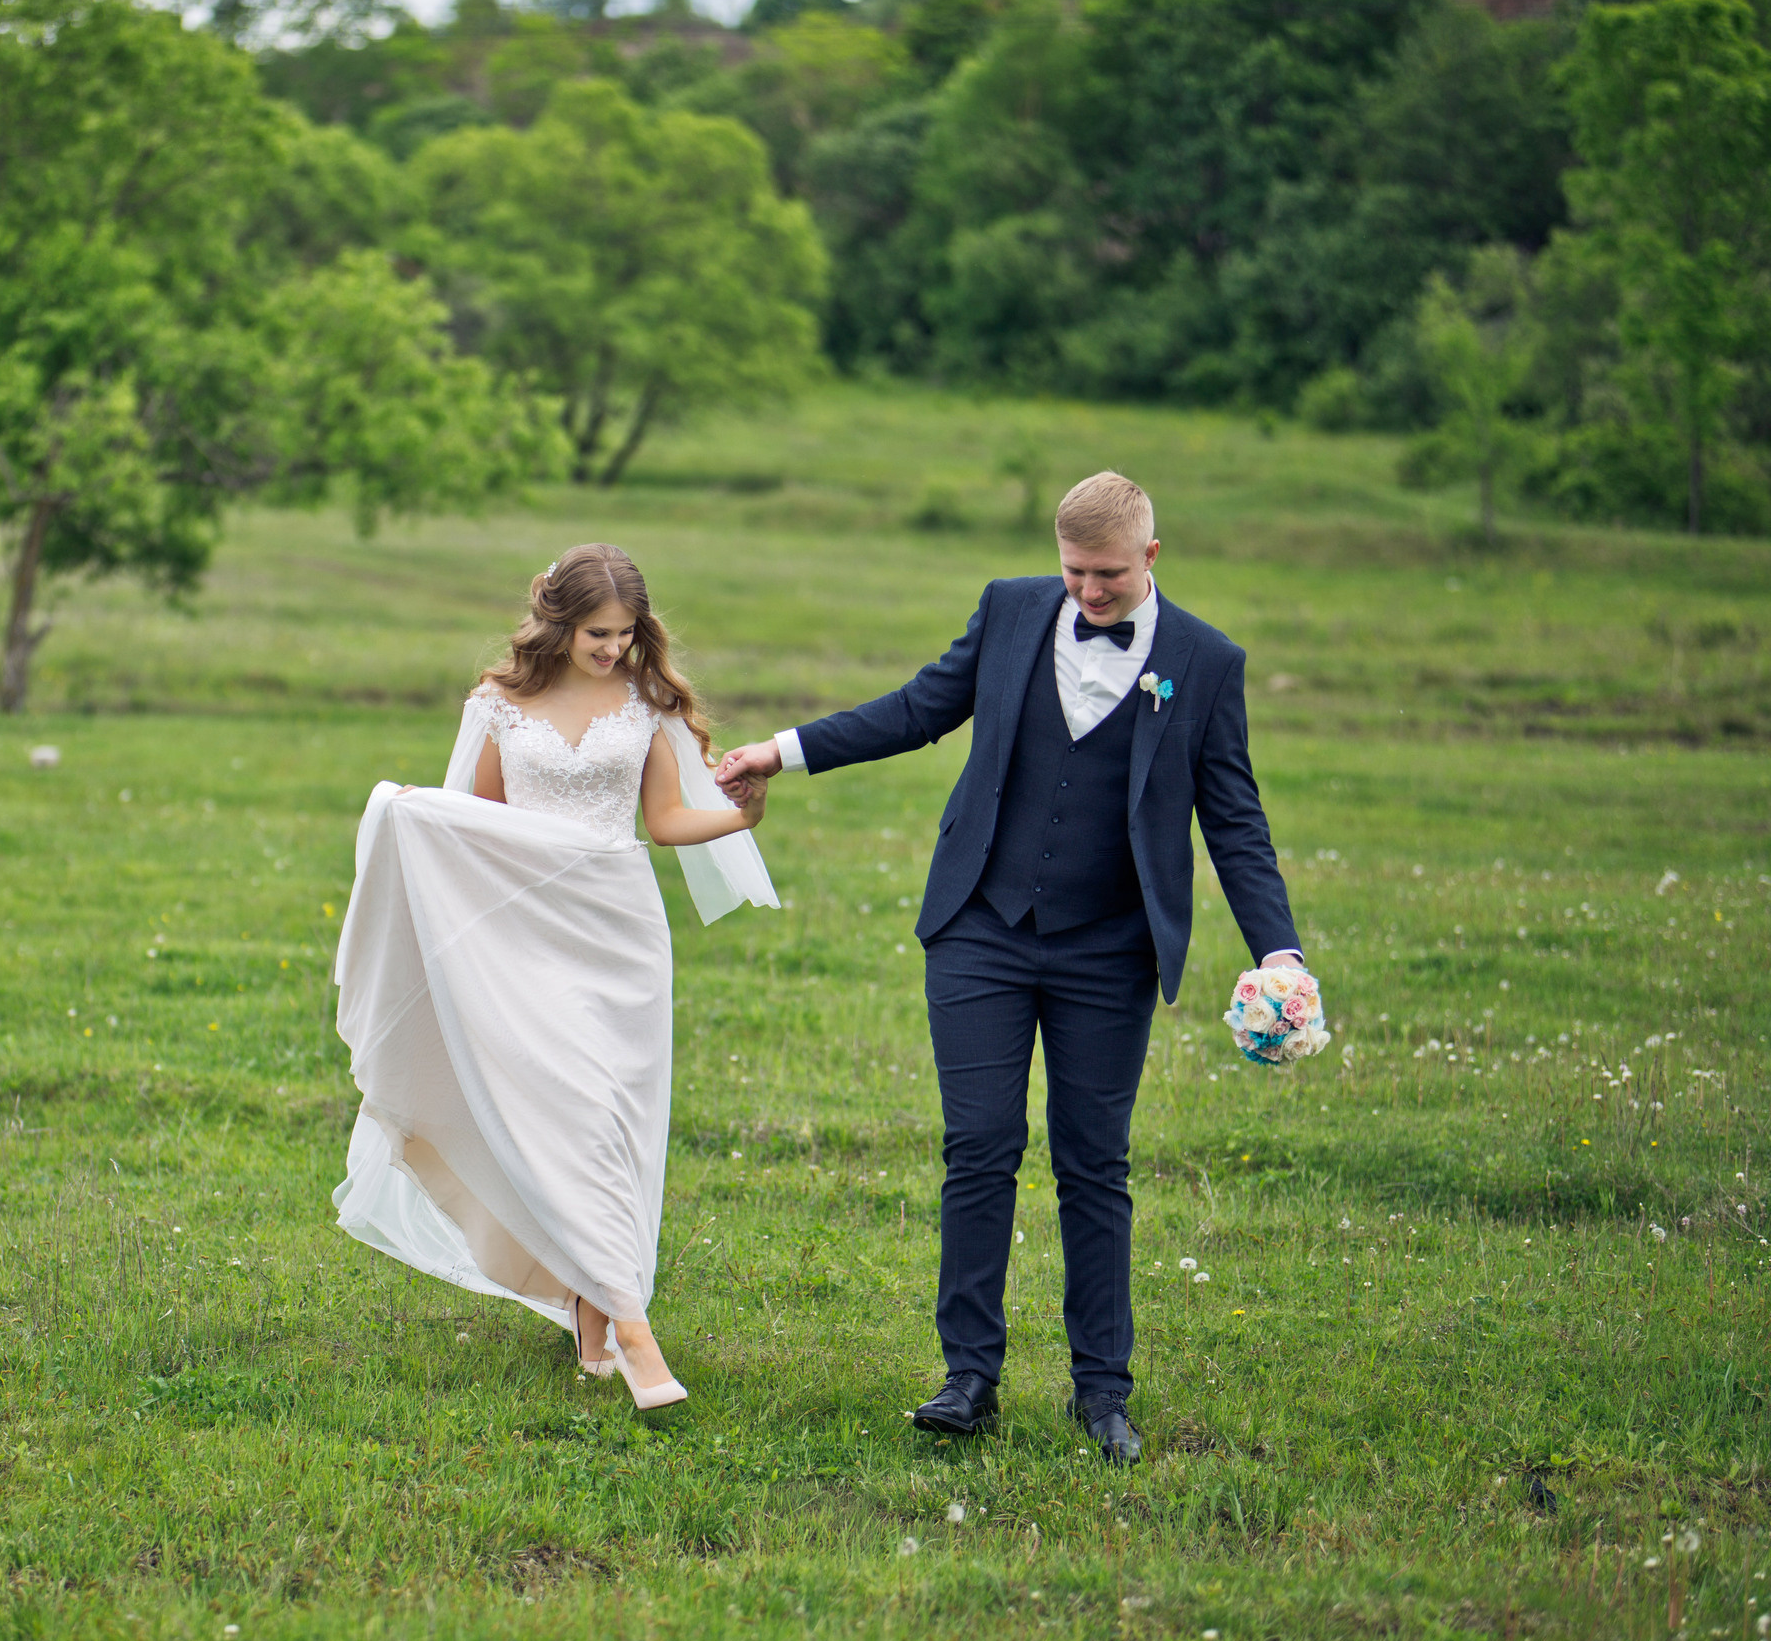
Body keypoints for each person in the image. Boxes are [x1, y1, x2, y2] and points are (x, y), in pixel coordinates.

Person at [714, 472, 1307, 1463]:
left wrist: (1278, 952)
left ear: (1150, 557)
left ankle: (1102, 1393)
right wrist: (781, 752)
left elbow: (1235, 819)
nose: (1090, 592)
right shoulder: (1010, 609)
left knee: (1093, 1162)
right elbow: (917, 709)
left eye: (1108, 575)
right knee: (979, 1143)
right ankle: (969, 1379)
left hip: (1109, 948)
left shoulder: (1205, 662)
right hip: (980, 926)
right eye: (1075, 572)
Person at [331, 544, 781, 1411]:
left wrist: (739, 817)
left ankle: (592, 1309)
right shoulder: (499, 705)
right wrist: (407, 813)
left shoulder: (647, 704)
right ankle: (634, 1331)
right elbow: (479, 826)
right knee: (562, 1113)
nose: (612, 649)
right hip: (527, 935)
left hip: (619, 932)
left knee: (610, 1122)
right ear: (559, 623)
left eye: (624, 633)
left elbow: (664, 820)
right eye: (596, 633)